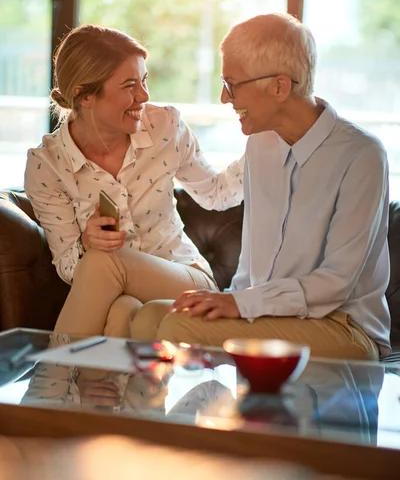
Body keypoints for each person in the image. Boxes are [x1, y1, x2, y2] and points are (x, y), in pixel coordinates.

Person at [130, 13, 391, 360]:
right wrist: (229, 302)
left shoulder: (362, 155)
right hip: (269, 316)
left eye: (232, 84)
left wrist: (238, 304)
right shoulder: (260, 145)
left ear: (280, 87)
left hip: (343, 327)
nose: (225, 98)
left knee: (182, 328)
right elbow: (253, 270)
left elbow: (335, 283)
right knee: (150, 317)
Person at [24, 24, 244, 337]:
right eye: (130, 85)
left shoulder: (164, 125)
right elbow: (69, 268)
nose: (144, 95)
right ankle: (92, 385)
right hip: (117, 295)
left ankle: (52, 380)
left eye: (144, 80)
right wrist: (86, 243)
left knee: (103, 262)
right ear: (84, 95)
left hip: (184, 279)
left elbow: (216, 194)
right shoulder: (47, 165)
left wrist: (268, 146)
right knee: (121, 311)